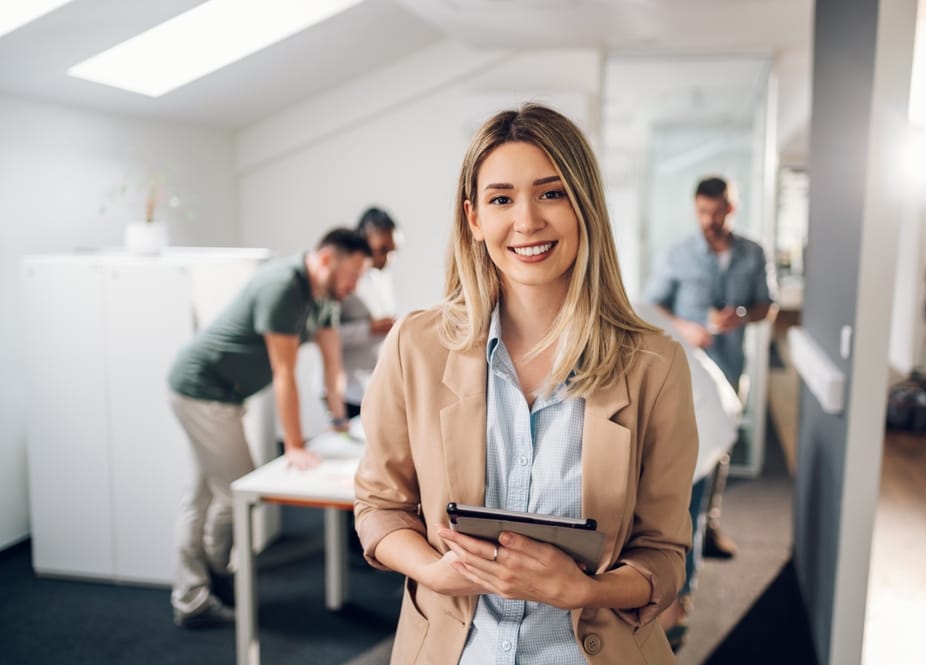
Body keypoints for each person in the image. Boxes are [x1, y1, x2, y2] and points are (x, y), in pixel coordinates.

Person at [354, 104, 698, 665]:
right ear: (473, 218)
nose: (527, 221)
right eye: (501, 199)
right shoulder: (415, 345)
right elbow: (379, 506)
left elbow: (663, 554)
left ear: (584, 205)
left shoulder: (654, 365)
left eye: (551, 193)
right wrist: (434, 572)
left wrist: (585, 591)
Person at [167, 228, 371, 629]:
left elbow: (332, 366)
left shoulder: (325, 298)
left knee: (202, 495)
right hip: (201, 390)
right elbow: (284, 373)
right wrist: (293, 444)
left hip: (223, 395)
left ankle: (195, 592)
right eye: (353, 273)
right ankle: (209, 584)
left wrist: (339, 423)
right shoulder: (283, 286)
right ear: (327, 259)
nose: (355, 284)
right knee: (235, 491)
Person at [644, 176, 777, 562]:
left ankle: (709, 527)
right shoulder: (678, 253)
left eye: (717, 212)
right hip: (688, 373)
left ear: (731, 209)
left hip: (732, 369)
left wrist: (740, 315)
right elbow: (652, 306)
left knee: (719, 451)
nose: (709, 220)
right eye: (702, 212)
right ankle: (675, 534)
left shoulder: (754, 253)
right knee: (682, 452)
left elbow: (768, 306)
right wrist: (687, 328)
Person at [633, 302, 743, 651]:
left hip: (700, 421)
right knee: (684, 518)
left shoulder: (618, 321)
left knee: (680, 526)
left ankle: (674, 616)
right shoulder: (630, 303)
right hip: (705, 407)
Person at [337, 206, 399, 419]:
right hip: (346, 388)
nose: (388, 258)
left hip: (370, 385)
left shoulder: (382, 276)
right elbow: (324, 334)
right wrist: (369, 329)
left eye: (392, 251)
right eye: (383, 249)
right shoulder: (344, 279)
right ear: (364, 238)